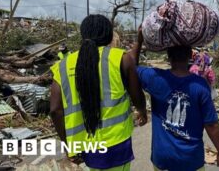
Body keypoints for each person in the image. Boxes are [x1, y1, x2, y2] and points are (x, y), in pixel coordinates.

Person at [50, 15, 147, 170]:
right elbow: (137, 95)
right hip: (116, 141)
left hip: (85, 144)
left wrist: (68, 145)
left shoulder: (62, 66)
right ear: (109, 35)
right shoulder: (120, 58)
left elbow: (55, 111)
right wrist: (142, 111)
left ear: (83, 35)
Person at [131, 28, 219, 171]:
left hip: (162, 158)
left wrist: (139, 41)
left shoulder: (155, 78)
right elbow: (211, 125)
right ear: (190, 56)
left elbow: (131, 68)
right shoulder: (200, 85)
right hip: (190, 160)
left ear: (168, 56)